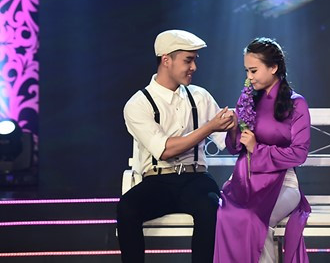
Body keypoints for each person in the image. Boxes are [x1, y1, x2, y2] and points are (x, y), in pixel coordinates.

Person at [117, 29, 236, 263]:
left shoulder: (200, 96)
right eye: (188, 60)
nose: (194, 67)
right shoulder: (138, 104)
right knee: (127, 208)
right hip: (158, 181)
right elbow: (165, 150)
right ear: (166, 60)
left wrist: (236, 126)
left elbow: (229, 144)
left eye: (194, 60)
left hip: (196, 178)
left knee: (210, 206)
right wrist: (209, 127)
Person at [214, 37, 311, 263]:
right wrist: (233, 129)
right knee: (224, 215)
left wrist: (257, 149)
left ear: (273, 67)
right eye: (247, 71)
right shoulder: (248, 100)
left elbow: (299, 153)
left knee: (255, 218)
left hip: (283, 184)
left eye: (254, 71)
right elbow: (234, 148)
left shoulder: (296, 104)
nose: (249, 77)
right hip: (246, 181)